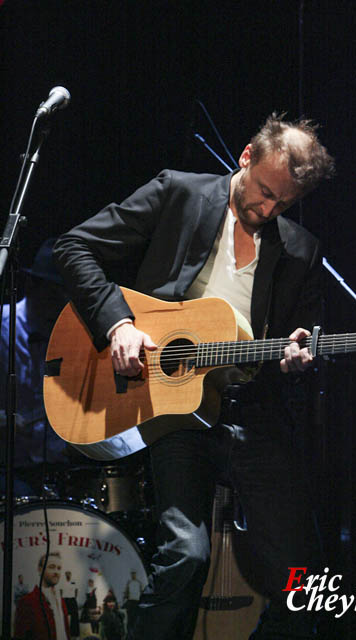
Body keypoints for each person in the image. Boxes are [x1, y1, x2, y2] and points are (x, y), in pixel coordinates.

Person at [53, 113, 335, 639]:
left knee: (305, 576)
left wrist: (299, 358)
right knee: (185, 555)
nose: (267, 209)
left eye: (284, 204)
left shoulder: (301, 250)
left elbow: (303, 337)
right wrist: (118, 324)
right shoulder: (179, 194)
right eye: (265, 192)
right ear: (246, 157)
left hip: (253, 412)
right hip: (172, 404)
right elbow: (74, 247)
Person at [0, 238, 71, 496]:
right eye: (56, 292)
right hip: (7, 470)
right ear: (32, 285)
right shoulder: (2, 328)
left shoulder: (77, 336)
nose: (63, 302)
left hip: (61, 470)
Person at [14, 550, 71, 640]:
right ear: (40, 569)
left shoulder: (61, 600)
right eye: (52, 567)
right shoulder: (27, 602)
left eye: (59, 568)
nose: (56, 572)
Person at [60, 570, 79, 640]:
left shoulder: (74, 581)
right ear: (65, 575)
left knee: (75, 617)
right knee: (63, 616)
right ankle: (63, 633)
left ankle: (74, 634)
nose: (68, 575)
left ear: (70, 575)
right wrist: (61, 599)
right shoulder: (62, 582)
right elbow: (60, 591)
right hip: (65, 600)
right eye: (67, 574)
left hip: (72, 599)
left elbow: (76, 590)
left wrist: (74, 597)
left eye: (69, 574)